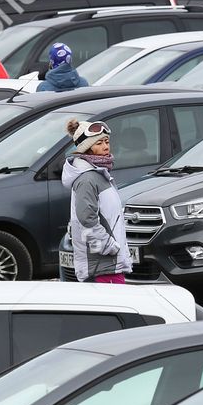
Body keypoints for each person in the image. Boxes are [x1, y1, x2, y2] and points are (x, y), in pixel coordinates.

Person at [63, 117, 131, 283]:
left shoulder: (100, 175)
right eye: (99, 143)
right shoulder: (87, 179)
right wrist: (109, 246)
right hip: (101, 267)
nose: (106, 146)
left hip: (109, 265)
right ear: (87, 148)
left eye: (107, 141)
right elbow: (86, 219)